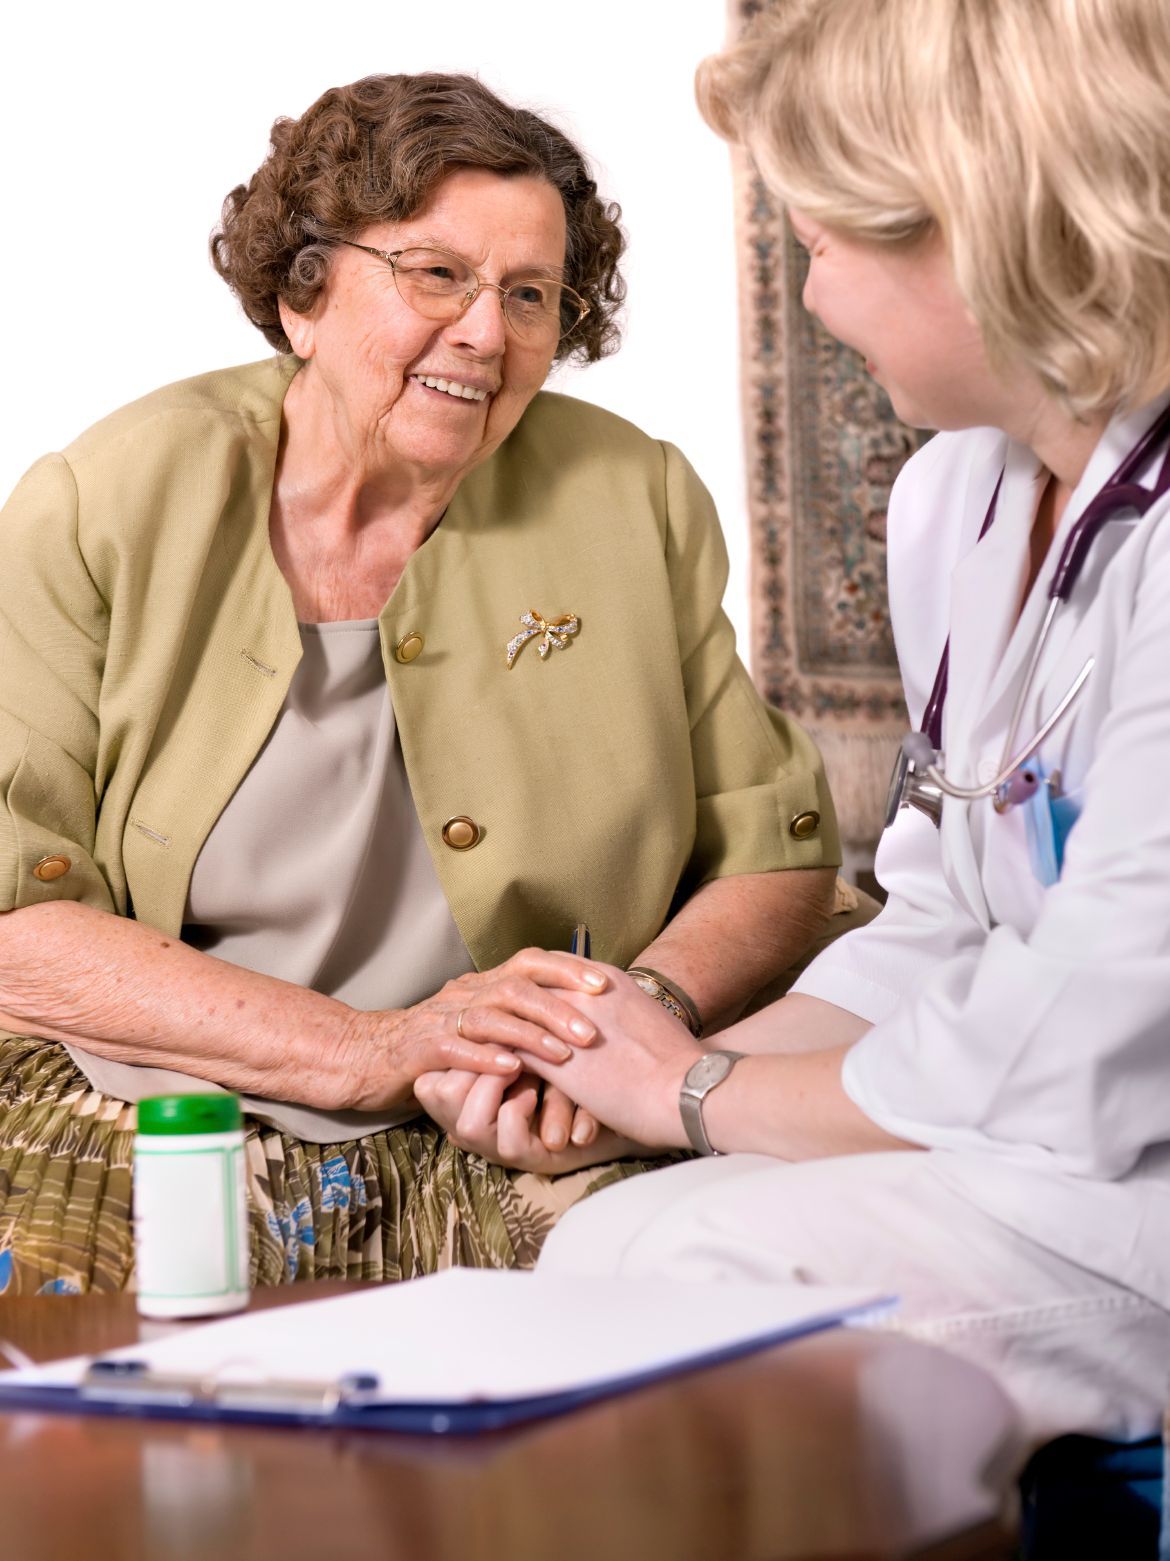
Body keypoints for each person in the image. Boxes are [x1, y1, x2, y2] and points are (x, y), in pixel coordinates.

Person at [423, 0, 1170, 1443]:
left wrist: (696, 1092)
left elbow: (1086, 1039)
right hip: (1052, 1140)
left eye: (820, 245)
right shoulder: (955, 500)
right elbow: (937, 917)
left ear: (988, 233)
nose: (812, 299)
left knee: (685, 1283)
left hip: (1133, 1152)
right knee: (609, 1246)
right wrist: (629, 1069)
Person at [0, 72, 849, 1294]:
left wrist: (619, 1022)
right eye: (436, 274)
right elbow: (18, 922)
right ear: (301, 295)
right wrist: (375, 1046)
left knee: (765, 1296)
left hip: (530, 1108)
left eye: (530, 295)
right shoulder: (105, 502)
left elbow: (776, 849)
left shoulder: (635, 493)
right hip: (179, 1094)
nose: (486, 333)